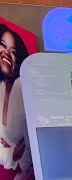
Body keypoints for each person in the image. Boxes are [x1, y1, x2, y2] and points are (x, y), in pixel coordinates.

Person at [0, 24, 34, 180]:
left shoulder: (23, 86)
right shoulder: (0, 88)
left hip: (24, 172)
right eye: (3, 45)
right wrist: (13, 152)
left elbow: (32, 140)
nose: (7, 53)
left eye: (13, 51)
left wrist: (21, 169)